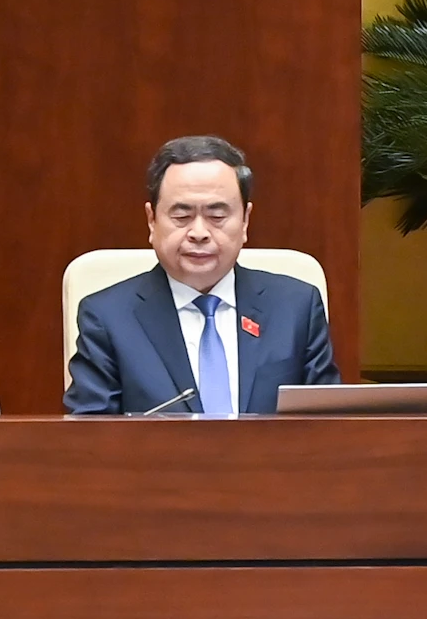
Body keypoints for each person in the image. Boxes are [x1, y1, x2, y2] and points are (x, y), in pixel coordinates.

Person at [64, 135, 339, 416]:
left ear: (245, 220)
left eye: (217, 216)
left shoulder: (296, 307)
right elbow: (90, 439)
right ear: (152, 220)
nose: (199, 232)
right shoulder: (107, 317)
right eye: (181, 216)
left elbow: (331, 428)